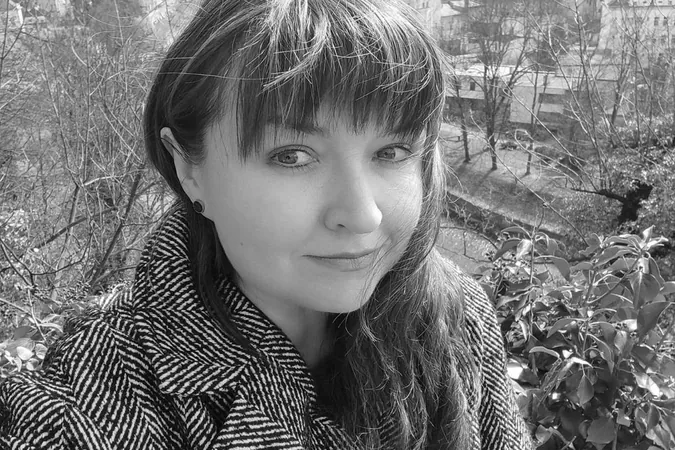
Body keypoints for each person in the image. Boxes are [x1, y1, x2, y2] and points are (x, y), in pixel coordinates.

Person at [0, 0, 533, 448]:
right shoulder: (82, 412)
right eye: (292, 156)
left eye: (391, 151)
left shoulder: (454, 314)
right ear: (189, 169)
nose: (362, 215)